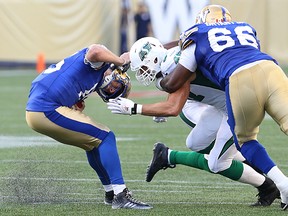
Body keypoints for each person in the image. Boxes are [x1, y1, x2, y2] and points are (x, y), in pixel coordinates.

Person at [143, 5, 288, 210]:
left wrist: (159, 85)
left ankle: (281, 184)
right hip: (272, 70)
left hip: (239, 81)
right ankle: (273, 182)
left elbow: (173, 83)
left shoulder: (197, 34)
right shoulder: (246, 27)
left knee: (244, 142)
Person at [106, 37, 280, 206]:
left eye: (143, 67)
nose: (142, 72)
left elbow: (172, 108)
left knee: (217, 163)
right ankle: (262, 175)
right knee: (194, 142)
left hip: (236, 105)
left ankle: (274, 185)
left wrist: (135, 108)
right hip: (219, 104)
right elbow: (176, 47)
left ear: (155, 58)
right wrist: (132, 54)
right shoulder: (171, 56)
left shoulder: (173, 66)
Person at [25, 44, 152, 210]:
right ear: (114, 71)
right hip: (46, 108)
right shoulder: (100, 62)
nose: (111, 88)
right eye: (115, 85)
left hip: (38, 110)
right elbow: (95, 51)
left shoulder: (96, 76)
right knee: (106, 137)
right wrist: (120, 60)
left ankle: (111, 193)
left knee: (91, 142)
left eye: (114, 91)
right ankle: (121, 195)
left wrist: (73, 102)